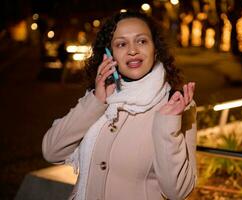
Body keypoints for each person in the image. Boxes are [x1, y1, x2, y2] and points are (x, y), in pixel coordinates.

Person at [42, 11, 197, 200]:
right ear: (110, 54)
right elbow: (52, 151)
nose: (132, 50)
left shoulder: (177, 104)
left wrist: (167, 124)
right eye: (121, 44)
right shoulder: (101, 96)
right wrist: (96, 101)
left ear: (155, 48)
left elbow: (177, 192)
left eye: (141, 41)